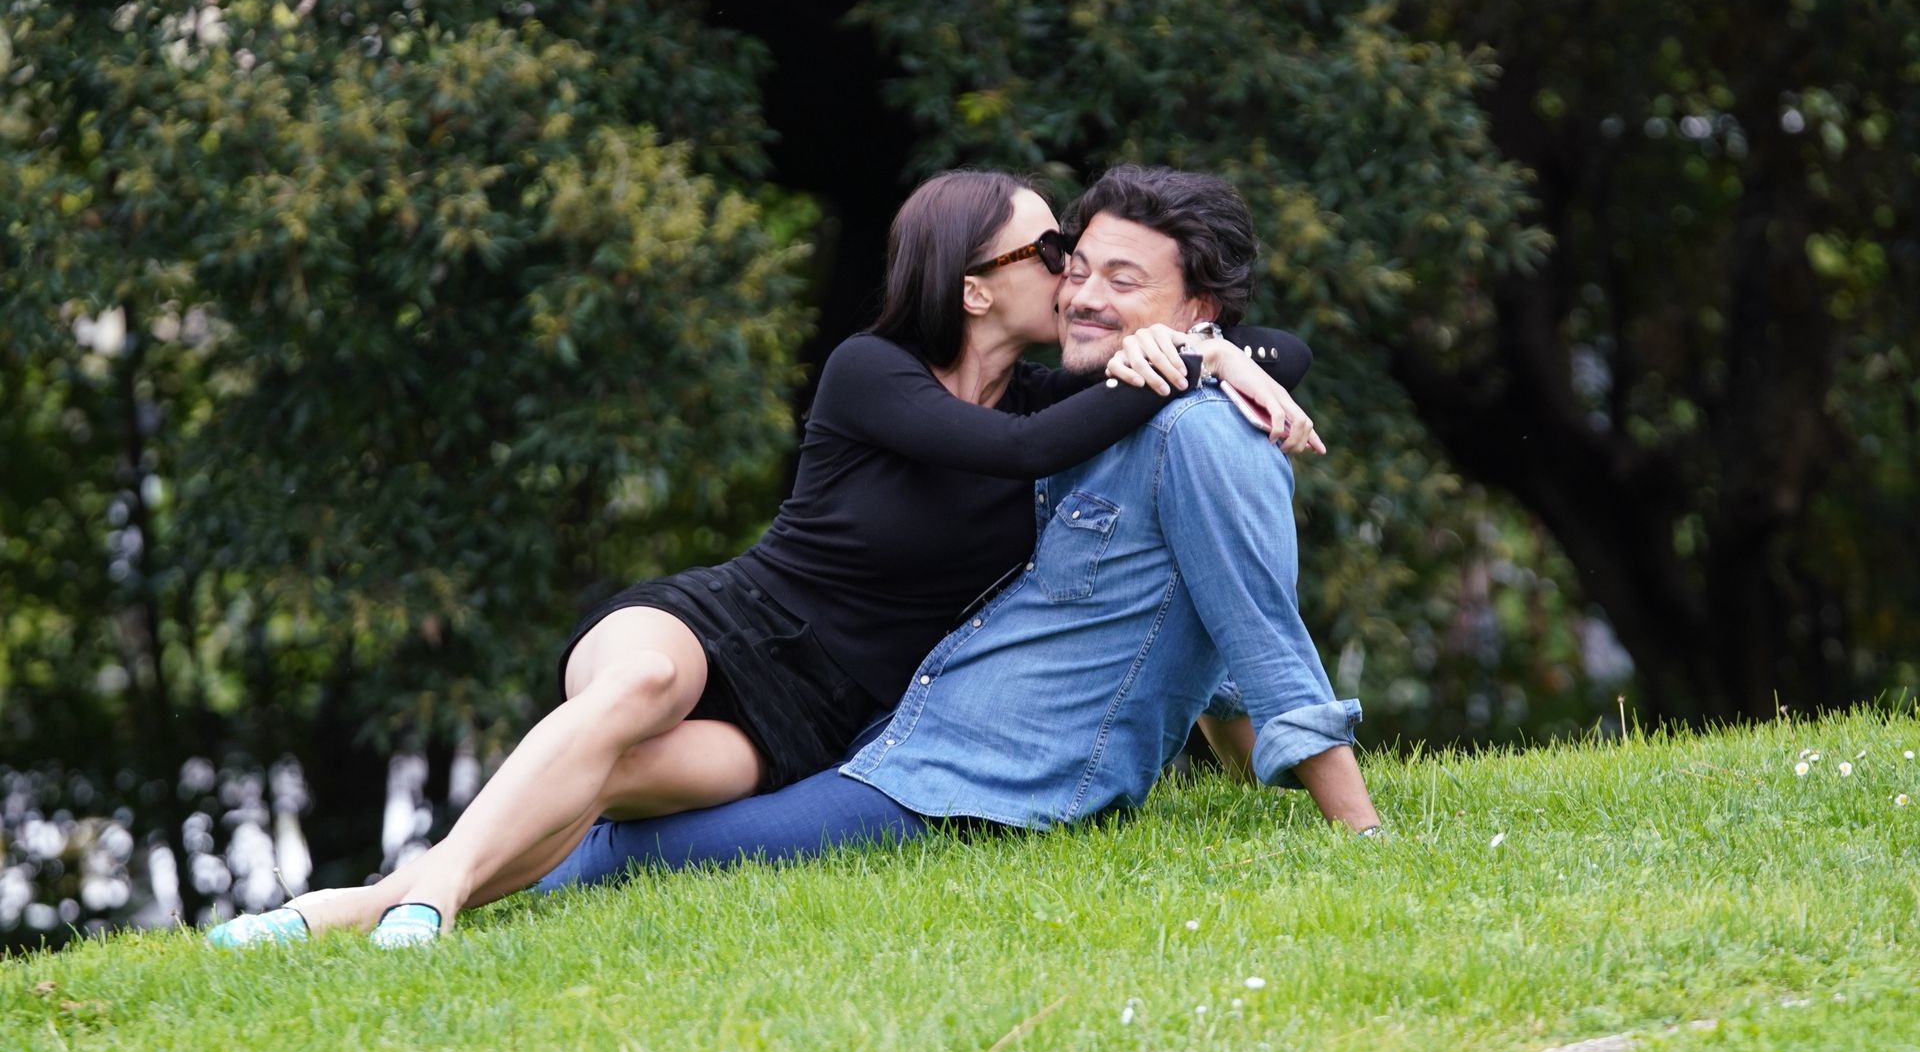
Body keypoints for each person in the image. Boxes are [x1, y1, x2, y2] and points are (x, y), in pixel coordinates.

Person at [208, 169, 1316, 948]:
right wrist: (1197, 358)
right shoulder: (871, 371)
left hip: (814, 711)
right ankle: (435, 898)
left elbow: (1287, 346)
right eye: (1053, 253)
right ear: (976, 287)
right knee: (635, 692)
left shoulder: (1048, 398)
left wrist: (1217, 352)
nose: (1075, 277)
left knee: (616, 790)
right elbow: (1018, 454)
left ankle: (348, 908)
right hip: (722, 625)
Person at [539, 164, 1377, 892]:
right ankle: (480, 869)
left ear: (1197, 306)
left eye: (1124, 282)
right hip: (913, 736)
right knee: (643, 818)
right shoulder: (1094, 406)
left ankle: (483, 875)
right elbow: (1203, 606)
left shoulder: (1199, 430)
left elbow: (1255, 622)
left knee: (635, 853)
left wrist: (1361, 831)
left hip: (978, 780)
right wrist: (1209, 353)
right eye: (1075, 266)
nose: (1082, 296)